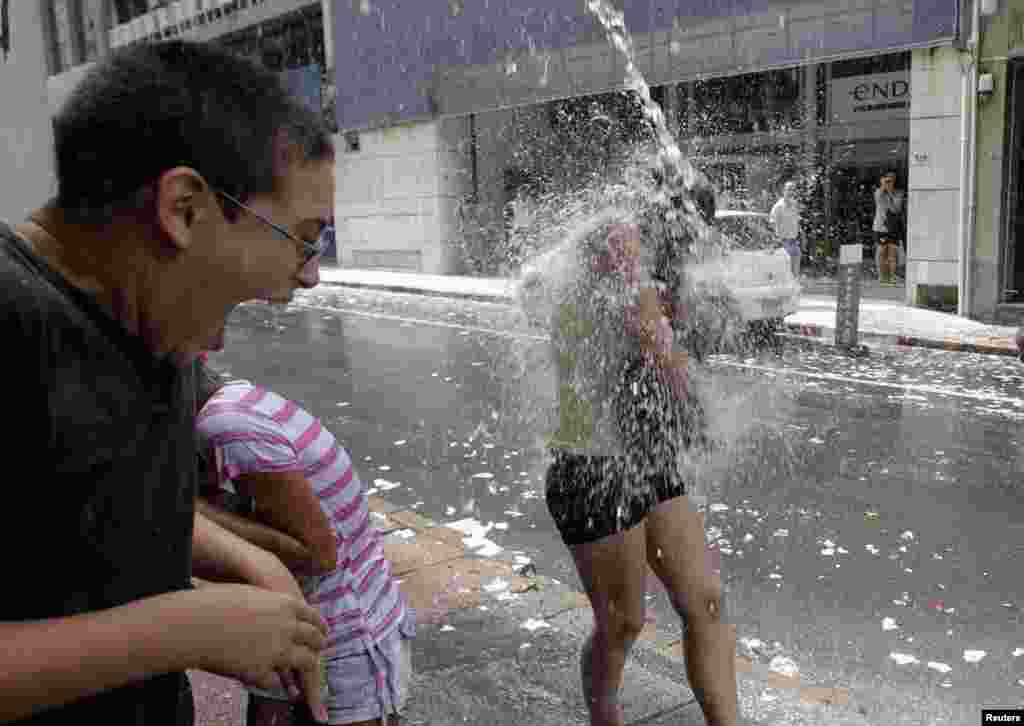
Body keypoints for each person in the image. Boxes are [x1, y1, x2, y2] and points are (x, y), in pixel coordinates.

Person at [1, 40, 335, 724]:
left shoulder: (151, 325)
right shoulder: (11, 322)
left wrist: (243, 559)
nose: (310, 275)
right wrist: (187, 628)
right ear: (184, 208)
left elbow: (83, 502)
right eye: (303, 238)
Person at [541, 202, 739, 726]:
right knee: (623, 622)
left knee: (705, 600)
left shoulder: (642, 256)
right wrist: (696, 410)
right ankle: (604, 716)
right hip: (592, 468)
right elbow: (648, 329)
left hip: (646, 458)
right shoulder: (617, 238)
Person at [193, 355, 414, 726]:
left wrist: (187, 509)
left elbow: (318, 554)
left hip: (346, 638)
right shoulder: (232, 404)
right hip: (303, 629)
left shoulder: (228, 423)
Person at [873, 171, 905, 284]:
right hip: (881, 227)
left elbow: (896, 209)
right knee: (881, 251)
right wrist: (883, 186)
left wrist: (891, 192)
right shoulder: (879, 192)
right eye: (887, 179)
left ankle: (892, 276)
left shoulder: (899, 193)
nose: (890, 181)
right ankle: (881, 276)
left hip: (894, 227)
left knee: (892, 252)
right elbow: (877, 198)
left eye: (892, 179)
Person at [770, 181, 802, 280]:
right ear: (784, 191)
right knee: (784, 272)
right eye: (789, 189)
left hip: (794, 242)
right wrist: (778, 239)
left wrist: (801, 235)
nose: (791, 192)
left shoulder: (794, 204)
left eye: (793, 190)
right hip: (783, 243)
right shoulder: (778, 206)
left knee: (795, 273)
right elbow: (772, 223)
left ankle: (794, 293)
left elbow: (797, 221)